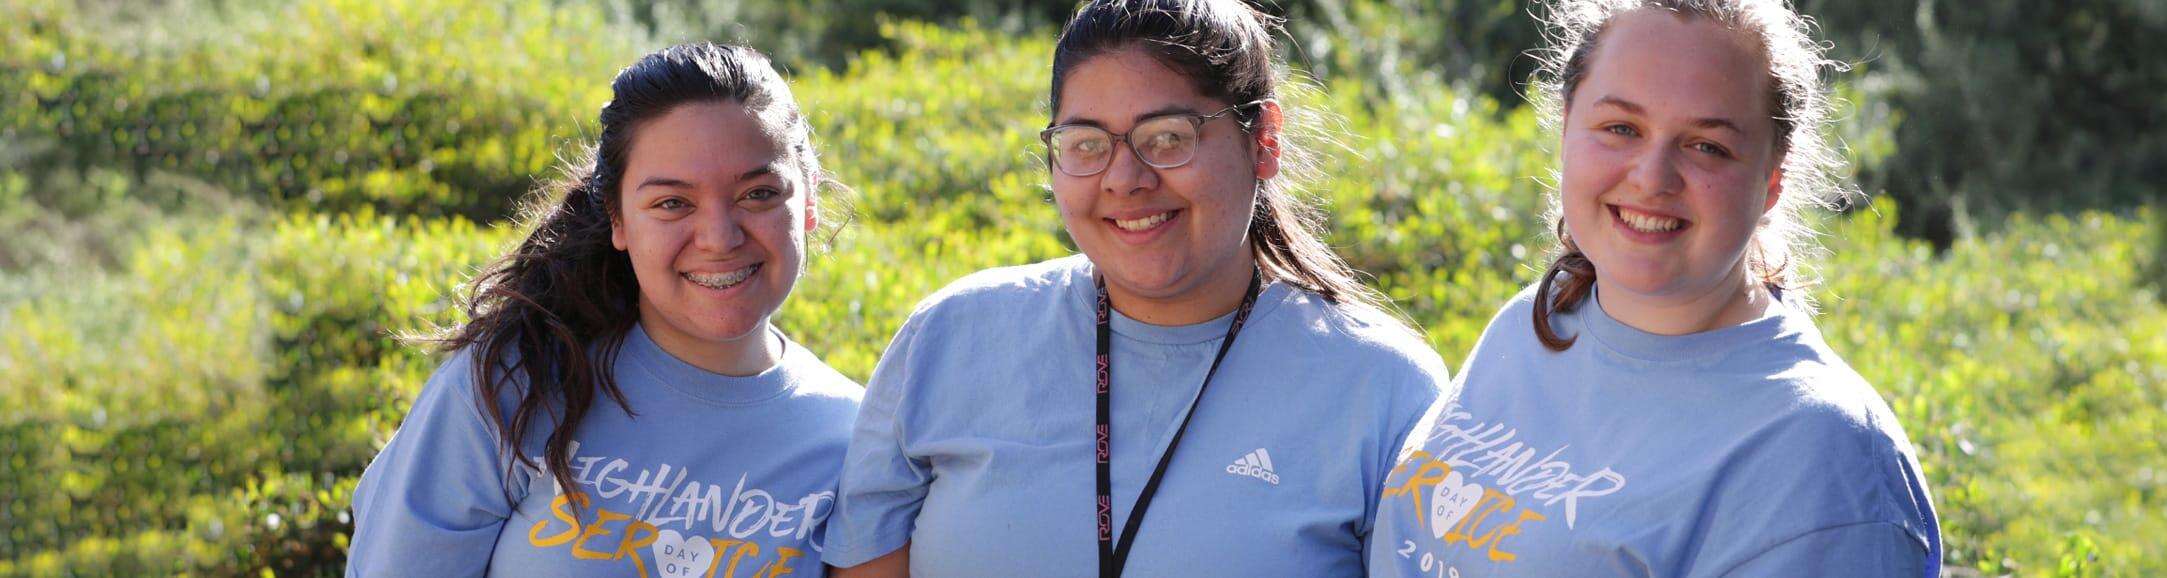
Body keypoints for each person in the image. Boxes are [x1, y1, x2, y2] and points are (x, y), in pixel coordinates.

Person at [821, 1, 1449, 575]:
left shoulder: (1381, 385)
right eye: (1087, 144)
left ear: (1263, 140)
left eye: (1168, 137)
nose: (1125, 178)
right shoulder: (950, 339)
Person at [1367, 1, 1942, 576]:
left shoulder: (1821, 460)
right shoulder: (1536, 322)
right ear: (1567, 124)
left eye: (1707, 146)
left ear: (1773, 178)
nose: (1652, 177)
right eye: (1621, 128)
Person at [348, 43, 860, 577]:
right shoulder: (514, 384)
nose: (719, 238)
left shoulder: (852, 438)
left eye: (757, 194)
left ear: (807, 202)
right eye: (672, 203)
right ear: (618, 219)